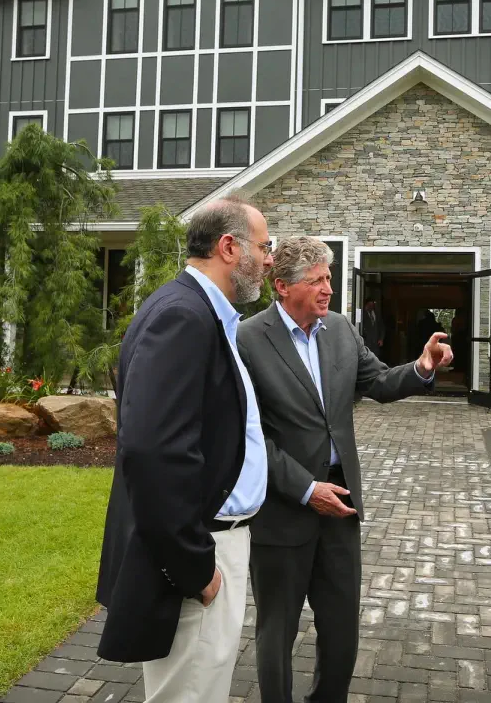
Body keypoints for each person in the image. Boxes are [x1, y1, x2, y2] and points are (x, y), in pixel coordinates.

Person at [237, 236, 453, 703]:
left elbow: (376, 381)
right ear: (281, 285)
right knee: (278, 630)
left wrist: (421, 366)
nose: (327, 288)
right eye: (315, 280)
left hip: (342, 502)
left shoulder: (339, 328)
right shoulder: (247, 339)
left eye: (329, 278)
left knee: (341, 627)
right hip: (284, 506)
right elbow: (249, 435)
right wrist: (303, 487)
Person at [95, 195, 275, 703]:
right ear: (228, 247)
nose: (269, 259)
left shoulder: (204, 313)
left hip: (214, 545)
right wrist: (196, 568)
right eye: (264, 247)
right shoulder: (184, 316)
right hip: (202, 554)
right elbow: (152, 452)